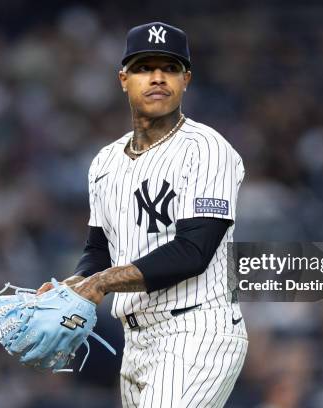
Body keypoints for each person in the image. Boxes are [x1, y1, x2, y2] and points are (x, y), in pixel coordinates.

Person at [37, 21, 247, 408]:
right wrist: (74, 284)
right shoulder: (104, 162)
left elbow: (193, 252)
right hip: (135, 340)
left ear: (186, 79)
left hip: (196, 328)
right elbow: (99, 249)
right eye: (144, 67)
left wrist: (99, 284)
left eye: (169, 68)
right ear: (123, 78)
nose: (157, 78)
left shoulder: (207, 150)